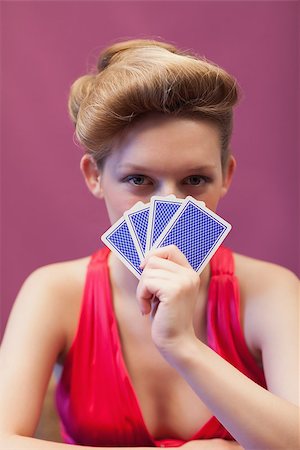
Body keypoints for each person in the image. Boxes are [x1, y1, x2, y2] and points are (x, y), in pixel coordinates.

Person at [0, 39, 299, 450]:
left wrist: (182, 346)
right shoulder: (53, 293)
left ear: (226, 175)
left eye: (195, 179)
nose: (169, 207)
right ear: (94, 176)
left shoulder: (270, 291)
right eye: (139, 180)